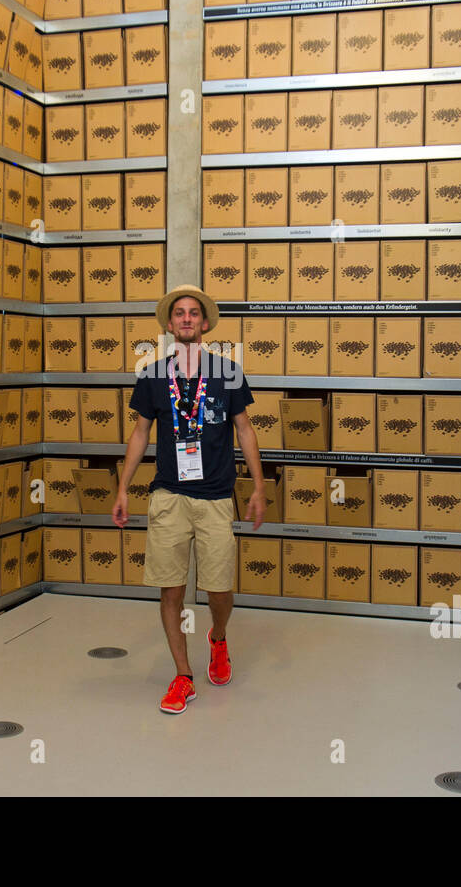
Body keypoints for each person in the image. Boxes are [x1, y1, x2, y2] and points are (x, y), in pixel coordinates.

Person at [112, 285, 267, 714]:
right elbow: (140, 433)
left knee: (219, 589)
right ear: (168, 324)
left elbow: (245, 429)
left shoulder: (228, 372)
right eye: (178, 313)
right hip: (169, 495)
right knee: (171, 591)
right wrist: (124, 487)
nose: (185, 319)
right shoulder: (152, 375)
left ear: (204, 324)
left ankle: (217, 636)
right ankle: (183, 675)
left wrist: (257, 485)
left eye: (193, 313)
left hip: (216, 495)